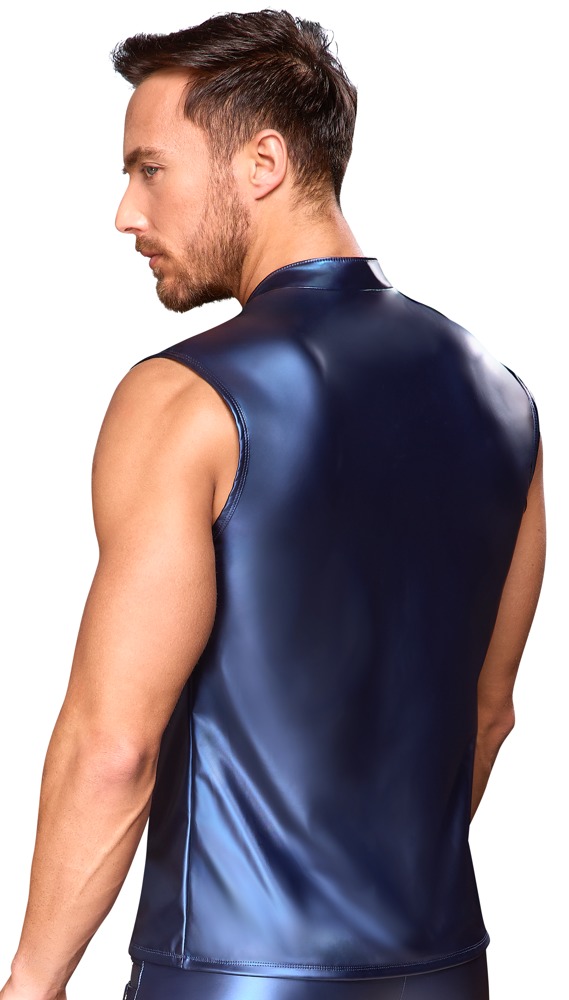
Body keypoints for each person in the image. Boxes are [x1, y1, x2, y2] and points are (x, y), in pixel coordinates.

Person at [0, 10, 545, 1000]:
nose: (125, 213)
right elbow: (487, 712)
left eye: (149, 169)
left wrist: (31, 982)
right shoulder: (502, 399)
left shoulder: (183, 397)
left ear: (262, 162)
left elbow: (114, 747)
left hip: (232, 976)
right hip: (438, 972)